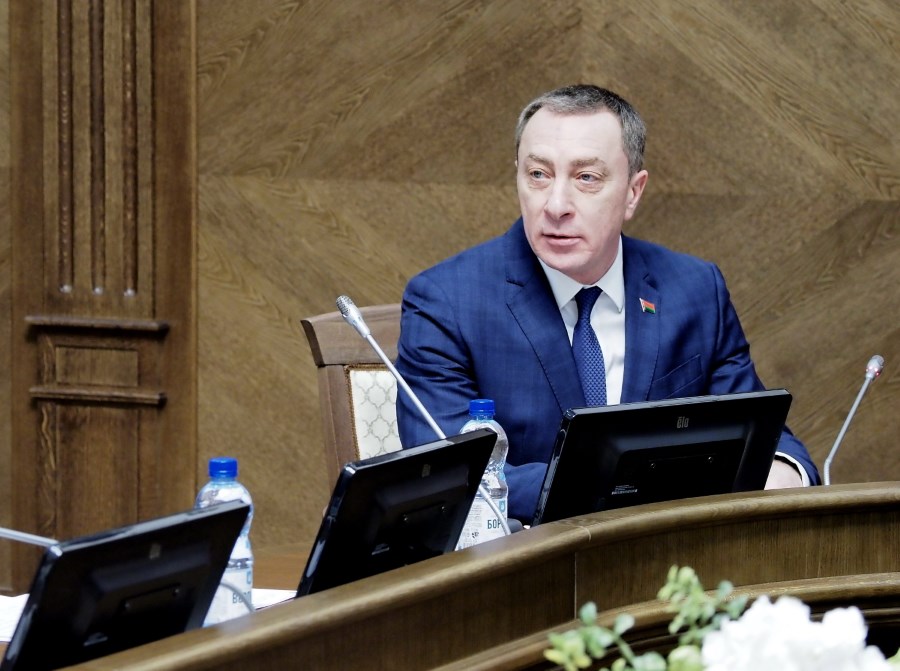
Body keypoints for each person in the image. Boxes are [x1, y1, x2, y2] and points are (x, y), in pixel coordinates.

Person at [395, 84, 820, 523]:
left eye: (586, 178)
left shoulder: (694, 290)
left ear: (633, 192)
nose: (556, 205)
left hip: (674, 553)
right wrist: (633, 486)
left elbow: (764, 435)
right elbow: (448, 470)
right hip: (528, 555)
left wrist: (784, 472)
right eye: (538, 174)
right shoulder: (447, 300)